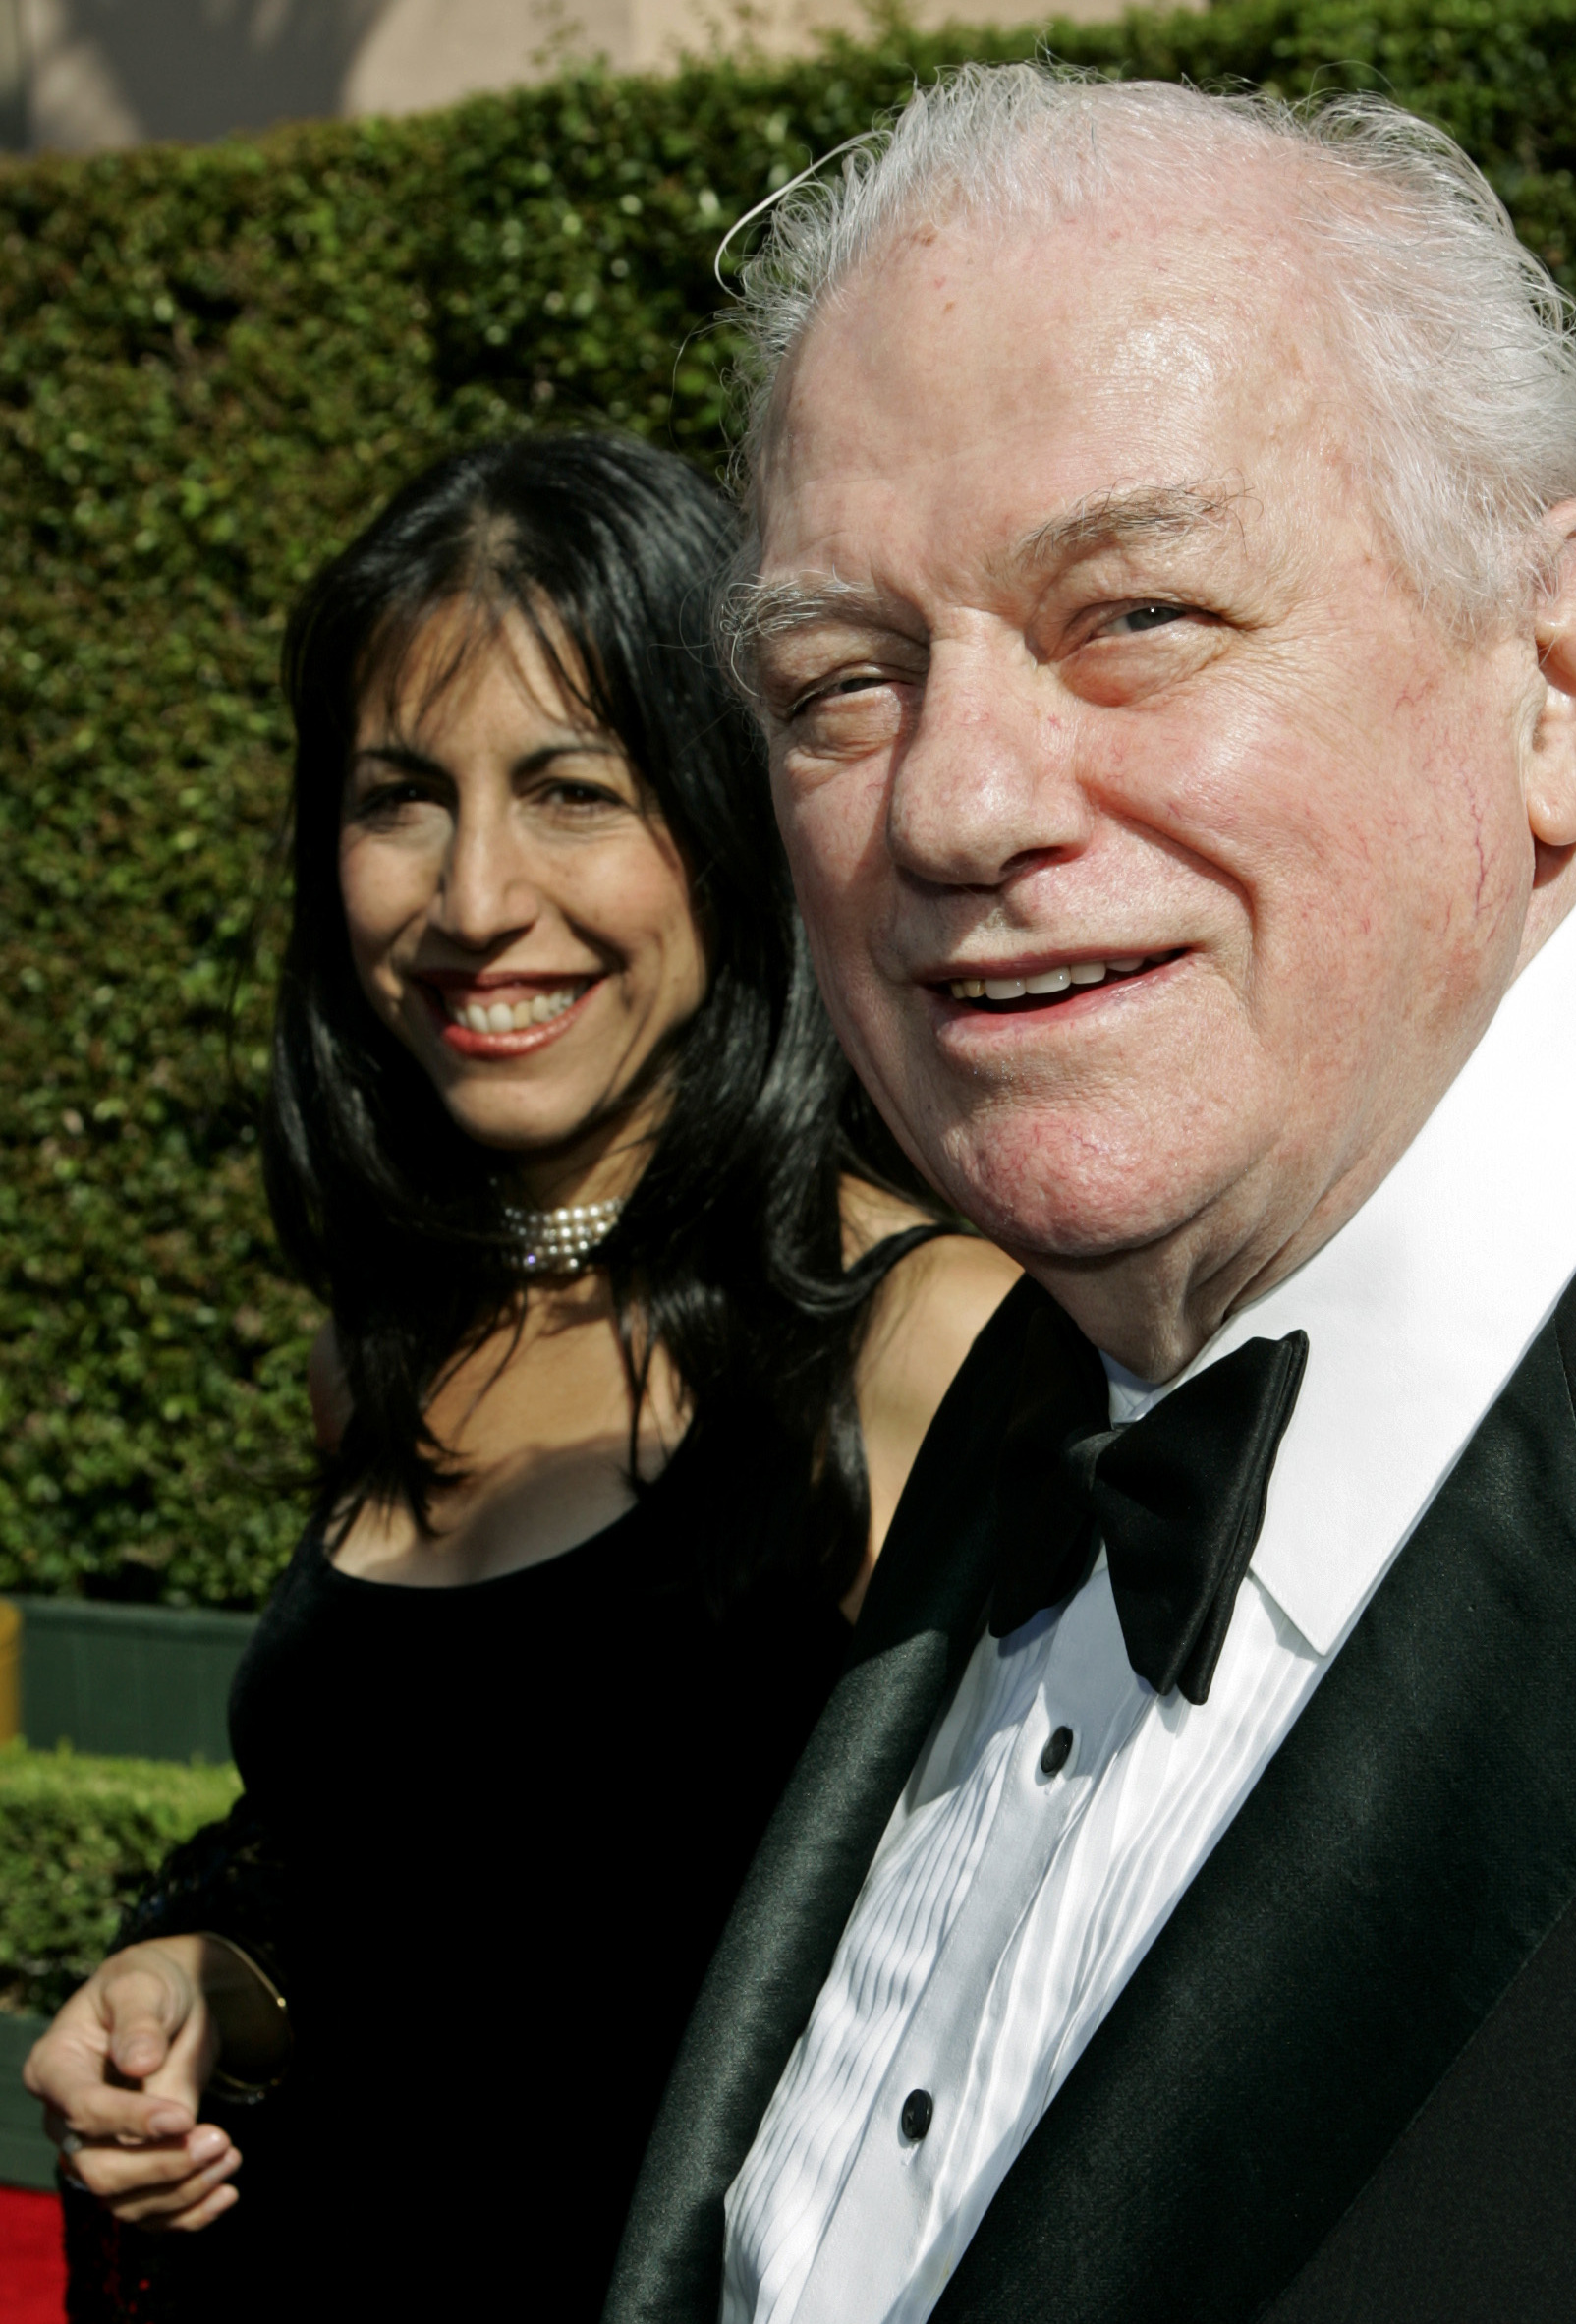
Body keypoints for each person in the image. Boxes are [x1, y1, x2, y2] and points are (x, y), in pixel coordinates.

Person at [599, 68, 1576, 2324]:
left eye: (1131, 610)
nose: (952, 802)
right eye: (842, 678)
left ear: (1556, 671)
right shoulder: (1042, 1410)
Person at [25, 432, 1016, 2323]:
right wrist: (192, 1987)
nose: (476, 899)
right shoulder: (380, 1350)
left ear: (727, 824)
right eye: (405, 797)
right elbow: (367, 1881)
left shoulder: (911, 1339)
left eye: (572, 791)